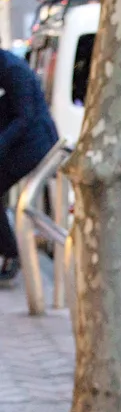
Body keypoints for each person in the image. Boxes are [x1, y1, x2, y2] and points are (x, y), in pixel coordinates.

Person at [0, 47, 59, 285]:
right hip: (23, 143)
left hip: (35, 145)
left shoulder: (13, 69)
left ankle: (12, 254)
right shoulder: (7, 67)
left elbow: (24, 117)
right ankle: (10, 252)